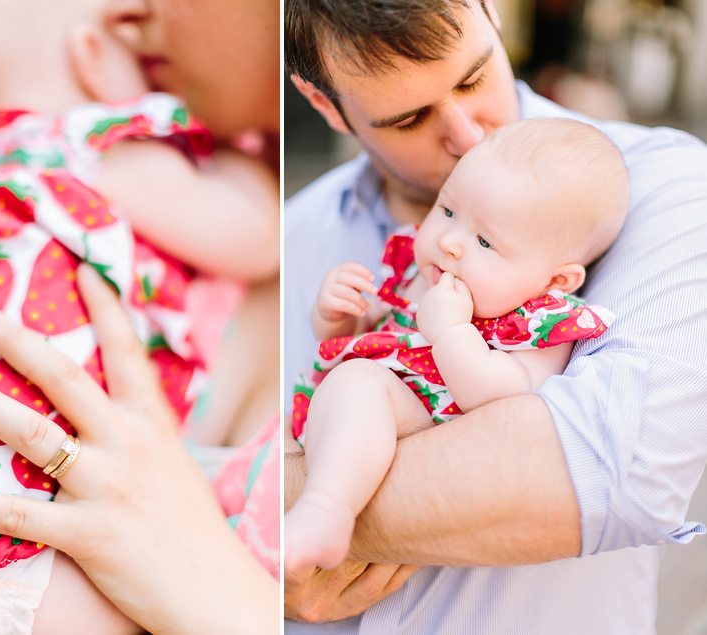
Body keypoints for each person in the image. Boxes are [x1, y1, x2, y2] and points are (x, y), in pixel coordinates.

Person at [283, 0, 707, 631]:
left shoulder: (659, 186)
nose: (468, 135)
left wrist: (278, 514)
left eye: (474, 78)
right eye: (409, 118)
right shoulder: (292, 233)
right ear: (324, 107)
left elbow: (613, 476)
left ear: (490, 9)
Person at [0, 0, 279, 633]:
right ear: (93, 60)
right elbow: (258, 237)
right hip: (40, 540)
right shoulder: (96, 154)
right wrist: (242, 162)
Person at [284, 118, 628, 580]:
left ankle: (327, 512)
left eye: (485, 241)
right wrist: (339, 316)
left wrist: (448, 331)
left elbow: (501, 400)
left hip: (419, 424)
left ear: (554, 280)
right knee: (282, 439)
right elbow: (368, 341)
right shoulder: (420, 274)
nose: (448, 241)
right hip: (330, 418)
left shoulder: (535, 324)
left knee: (359, 385)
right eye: (446, 210)